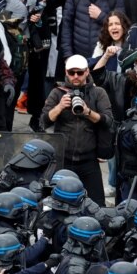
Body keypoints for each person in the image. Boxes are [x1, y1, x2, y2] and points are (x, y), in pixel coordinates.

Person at [41, 55, 115, 201]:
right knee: (57, 203)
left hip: (89, 160)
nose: (75, 76)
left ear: (87, 72)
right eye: (71, 72)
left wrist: (88, 113)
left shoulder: (98, 92)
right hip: (63, 160)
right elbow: (43, 122)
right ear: (66, 72)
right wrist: (60, 107)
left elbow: (108, 121)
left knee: (97, 204)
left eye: (79, 73)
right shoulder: (57, 92)